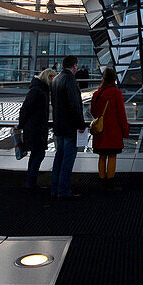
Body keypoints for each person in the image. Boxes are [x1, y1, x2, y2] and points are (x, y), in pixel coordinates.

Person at [50, 55, 86, 198]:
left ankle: (55, 188)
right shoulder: (70, 80)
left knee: (59, 157)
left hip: (59, 125)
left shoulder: (56, 79)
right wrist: (80, 124)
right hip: (70, 126)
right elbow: (74, 104)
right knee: (68, 159)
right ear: (74, 65)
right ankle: (63, 190)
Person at [90, 67, 129, 192]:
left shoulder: (97, 93)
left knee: (102, 156)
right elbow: (121, 114)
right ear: (115, 78)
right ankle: (110, 180)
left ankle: (102, 180)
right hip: (113, 131)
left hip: (100, 131)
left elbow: (93, 112)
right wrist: (125, 131)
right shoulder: (116, 93)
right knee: (112, 155)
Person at [18, 68, 55, 192]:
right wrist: (21, 124)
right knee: (39, 153)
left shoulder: (38, 89)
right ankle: (31, 182)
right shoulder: (38, 90)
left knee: (36, 153)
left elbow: (26, 108)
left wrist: (21, 124)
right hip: (35, 127)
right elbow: (25, 108)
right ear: (48, 77)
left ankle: (31, 182)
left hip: (34, 127)